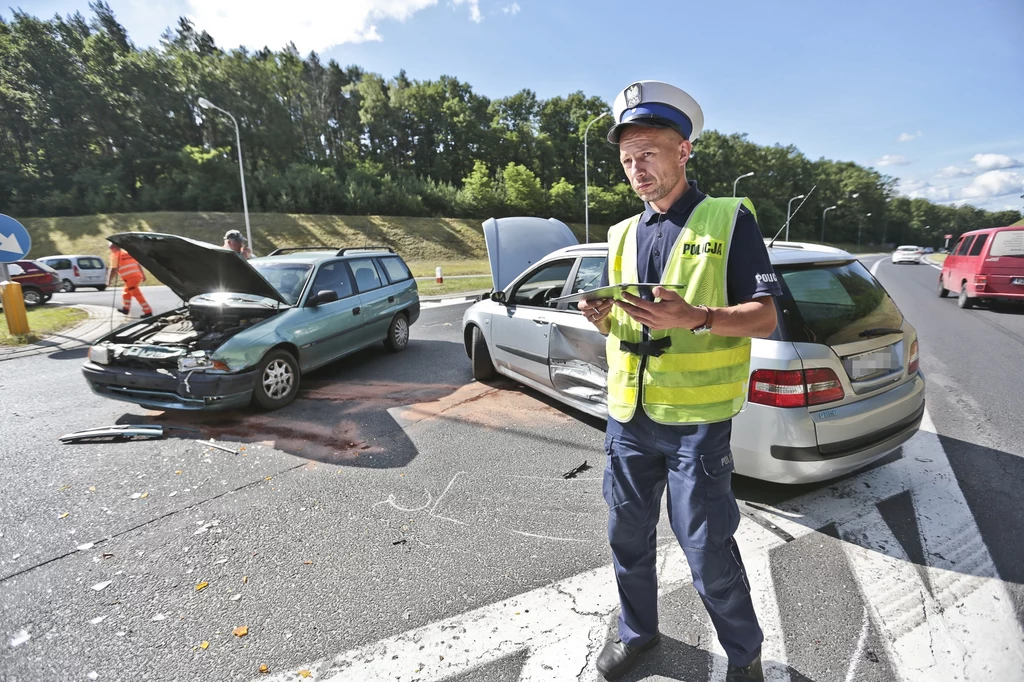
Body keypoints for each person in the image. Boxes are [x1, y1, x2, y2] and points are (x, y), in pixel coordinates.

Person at [578, 81, 782, 682]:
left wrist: (696, 316)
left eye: (648, 154)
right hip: (628, 418)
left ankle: (745, 656)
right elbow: (625, 316)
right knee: (627, 539)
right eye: (626, 160)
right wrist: (604, 315)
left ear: (684, 151)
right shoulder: (619, 234)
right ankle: (637, 635)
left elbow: (768, 315)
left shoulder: (729, 218)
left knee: (706, 551)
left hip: (696, 425)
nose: (636, 170)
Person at [107, 243, 152, 318]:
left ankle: (148, 312)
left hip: (130, 278)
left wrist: (109, 281)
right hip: (136, 276)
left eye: (110, 248)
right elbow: (137, 264)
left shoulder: (115, 256)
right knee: (126, 293)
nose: (110, 250)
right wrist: (143, 275)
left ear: (113, 248)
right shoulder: (127, 253)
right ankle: (126, 309)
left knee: (137, 294)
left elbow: (113, 269)